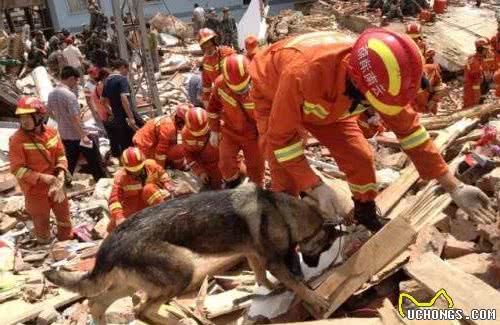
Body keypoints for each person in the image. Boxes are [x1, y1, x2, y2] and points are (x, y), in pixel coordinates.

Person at [248, 30, 492, 232]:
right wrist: (314, 186)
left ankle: (364, 214)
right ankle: (288, 239)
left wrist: (454, 187)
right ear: (357, 84)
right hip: (274, 92)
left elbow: (412, 133)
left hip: (330, 107)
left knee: (361, 157)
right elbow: (281, 141)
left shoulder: (379, 76)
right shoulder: (303, 73)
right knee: (283, 173)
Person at [9, 96, 73, 244]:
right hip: (35, 190)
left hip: (56, 185)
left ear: (39, 115)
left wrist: (62, 173)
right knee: (41, 221)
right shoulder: (17, 140)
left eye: (28, 116)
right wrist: (43, 178)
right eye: (21, 117)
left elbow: (61, 155)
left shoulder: (52, 132)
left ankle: (67, 241)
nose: (24, 121)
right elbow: (17, 169)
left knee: (64, 216)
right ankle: (44, 247)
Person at [207, 54, 264, 188]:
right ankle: (236, 187)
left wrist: (265, 135)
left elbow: (267, 115)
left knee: (256, 169)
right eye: (236, 89)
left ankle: (256, 193)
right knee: (226, 165)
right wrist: (214, 130)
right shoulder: (220, 84)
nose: (241, 92)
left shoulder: (260, 87)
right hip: (229, 131)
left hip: (253, 134)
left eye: (243, 88)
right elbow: (213, 108)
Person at [47, 66, 107, 182]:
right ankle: (102, 181)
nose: (76, 83)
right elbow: (75, 118)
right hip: (78, 135)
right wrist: (83, 135)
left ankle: (65, 181)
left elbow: (48, 112)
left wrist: (60, 119)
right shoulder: (69, 96)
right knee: (95, 159)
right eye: (76, 80)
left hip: (64, 134)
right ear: (70, 78)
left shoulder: (52, 94)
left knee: (70, 161)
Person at [107, 147, 174, 232]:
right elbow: (114, 199)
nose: (136, 173)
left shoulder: (151, 165)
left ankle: (165, 214)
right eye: (132, 171)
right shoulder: (120, 178)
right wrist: (118, 217)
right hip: (133, 204)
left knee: (148, 189)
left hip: (153, 199)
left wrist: (167, 184)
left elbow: (162, 175)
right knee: (111, 229)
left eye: (138, 169)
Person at [101, 59, 144, 158]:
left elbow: (102, 100)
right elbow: (124, 98)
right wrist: (131, 118)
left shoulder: (107, 81)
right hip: (127, 116)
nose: (127, 72)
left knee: (125, 144)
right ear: (122, 67)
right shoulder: (122, 79)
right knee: (141, 135)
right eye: (127, 69)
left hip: (118, 118)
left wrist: (112, 112)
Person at [133, 103, 191, 170]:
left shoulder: (171, 121)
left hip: (147, 143)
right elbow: (161, 151)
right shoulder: (169, 127)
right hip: (144, 146)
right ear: (180, 120)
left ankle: (170, 163)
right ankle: (177, 165)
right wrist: (160, 170)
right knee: (178, 150)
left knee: (177, 145)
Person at [182, 107, 222, 189]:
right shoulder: (186, 134)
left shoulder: (219, 126)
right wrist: (200, 172)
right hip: (207, 169)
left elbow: (233, 147)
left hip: (224, 162)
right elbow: (188, 155)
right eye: (196, 134)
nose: (200, 136)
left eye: (203, 132)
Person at [198, 28, 235, 107]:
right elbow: (206, 86)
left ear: (214, 41)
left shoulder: (226, 52)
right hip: (222, 96)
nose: (207, 46)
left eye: (209, 42)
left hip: (236, 91)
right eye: (204, 44)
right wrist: (207, 103)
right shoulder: (205, 62)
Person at [411, 49, 445, 115]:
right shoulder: (403, 81)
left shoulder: (432, 70)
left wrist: (433, 100)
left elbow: (438, 86)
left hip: (430, 110)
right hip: (415, 115)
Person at [463, 38, 489, 108]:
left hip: (473, 86)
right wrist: (477, 91)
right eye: (485, 49)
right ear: (480, 49)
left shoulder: (476, 57)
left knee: (473, 103)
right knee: (472, 105)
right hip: (473, 87)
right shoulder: (474, 61)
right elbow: (476, 77)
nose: (487, 51)